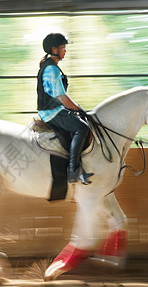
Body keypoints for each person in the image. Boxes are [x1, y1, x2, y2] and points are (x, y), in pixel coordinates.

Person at [37, 33, 93, 185]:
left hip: (54, 109)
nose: (65, 51)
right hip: (51, 112)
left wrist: (75, 109)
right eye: (63, 48)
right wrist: (79, 109)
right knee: (82, 128)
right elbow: (61, 97)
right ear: (53, 49)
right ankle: (73, 169)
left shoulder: (51, 66)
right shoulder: (52, 70)